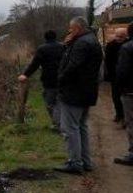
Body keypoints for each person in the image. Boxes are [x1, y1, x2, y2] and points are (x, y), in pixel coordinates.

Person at [55, 16, 103, 174]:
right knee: (81, 126)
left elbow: (72, 66)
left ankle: (75, 163)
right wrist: (67, 44)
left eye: (71, 28)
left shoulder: (81, 43)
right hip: (87, 91)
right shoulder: (92, 40)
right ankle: (85, 161)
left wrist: (60, 80)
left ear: (78, 28)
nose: (69, 31)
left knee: (70, 128)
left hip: (74, 92)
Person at [18, 30, 65, 130]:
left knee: (49, 103)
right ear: (55, 37)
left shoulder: (42, 49)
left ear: (45, 38)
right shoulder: (63, 47)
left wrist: (25, 75)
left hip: (49, 80)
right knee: (60, 101)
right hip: (63, 79)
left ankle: (59, 124)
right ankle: (60, 123)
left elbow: (35, 64)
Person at [114, 22, 133, 166]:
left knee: (131, 122)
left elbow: (122, 72)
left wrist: (119, 89)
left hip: (130, 91)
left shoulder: (127, 48)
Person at [105, 28, 128, 123]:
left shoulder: (128, 44)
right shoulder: (110, 45)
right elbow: (108, 62)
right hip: (115, 76)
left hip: (127, 76)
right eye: (117, 36)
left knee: (126, 97)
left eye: (121, 36)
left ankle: (126, 116)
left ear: (125, 36)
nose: (118, 38)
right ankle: (119, 114)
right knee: (116, 97)